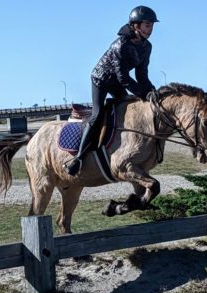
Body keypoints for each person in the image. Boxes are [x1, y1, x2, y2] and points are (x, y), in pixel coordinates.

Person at [63, 5, 159, 176]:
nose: (150, 29)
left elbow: (142, 75)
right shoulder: (120, 45)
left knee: (127, 109)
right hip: (101, 79)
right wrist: (142, 93)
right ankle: (78, 158)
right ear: (135, 25)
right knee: (98, 114)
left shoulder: (147, 46)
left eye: (152, 25)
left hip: (116, 80)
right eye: (147, 25)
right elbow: (123, 78)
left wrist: (151, 91)